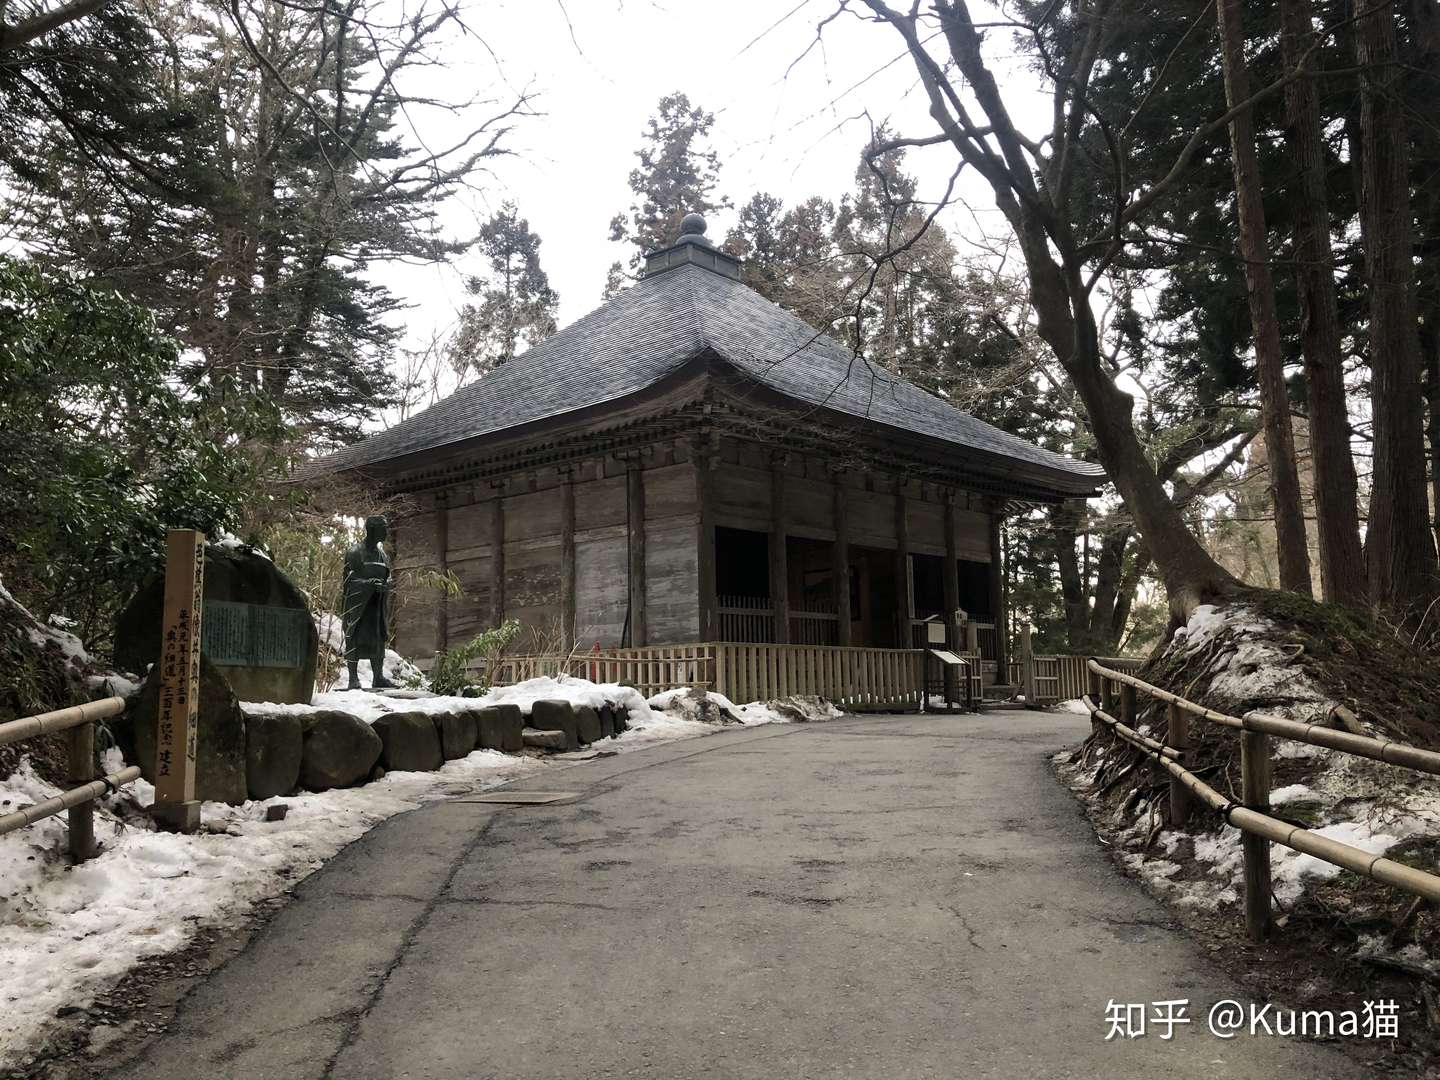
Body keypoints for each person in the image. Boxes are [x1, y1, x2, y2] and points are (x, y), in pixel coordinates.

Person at [341, 516, 393, 691]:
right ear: (372, 530)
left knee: (377, 637)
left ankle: (378, 677)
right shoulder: (355, 552)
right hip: (358, 604)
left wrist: (384, 586)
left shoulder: (383, 555)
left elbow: (389, 577)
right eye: (383, 528)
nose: (386, 532)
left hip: (376, 604)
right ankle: (353, 679)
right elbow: (349, 580)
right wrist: (369, 585)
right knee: (354, 636)